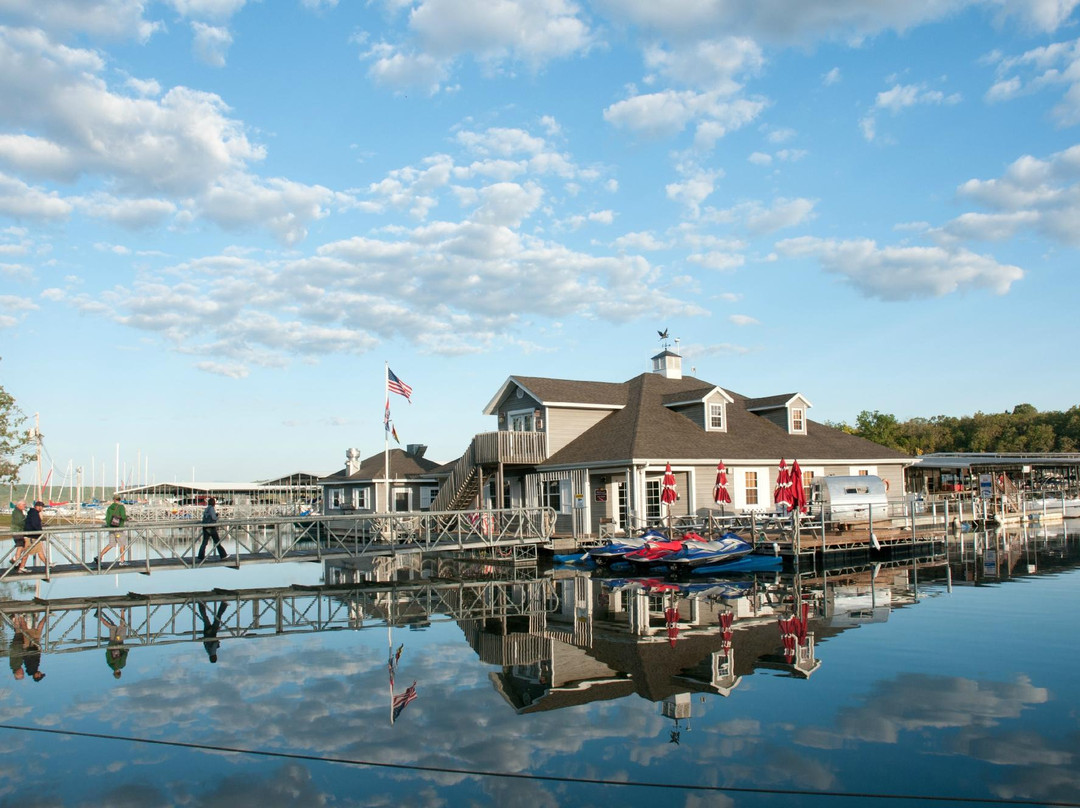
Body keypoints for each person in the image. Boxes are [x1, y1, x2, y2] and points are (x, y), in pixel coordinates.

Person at [95, 494, 128, 565]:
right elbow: (123, 516)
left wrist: (110, 525)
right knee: (122, 544)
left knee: (111, 544)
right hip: (119, 528)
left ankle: (99, 556)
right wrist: (126, 518)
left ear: (114, 500)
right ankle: (122, 561)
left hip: (111, 528)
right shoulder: (121, 507)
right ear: (120, 499)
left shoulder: (110, 507)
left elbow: (107, 518)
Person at [98, 608, 130, 679]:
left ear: (119, 672)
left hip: (118, 641)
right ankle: (99, 617)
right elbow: (107, 653)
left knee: (122, 626)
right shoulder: (109, 664)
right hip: (111, 642)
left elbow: (125, 654)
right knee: (112, 627)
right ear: (114, 672)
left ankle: (122, 610)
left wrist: (127, 650)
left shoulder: (121, 665)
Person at [18, 501, 47, 573]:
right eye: (42, 507)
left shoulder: (32, 513)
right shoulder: (34, 514)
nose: (42, 509)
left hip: (32, 536)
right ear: (38, 507)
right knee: (27, 552)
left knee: (38, 551)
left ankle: (48, 565)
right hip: (31, 536)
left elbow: (34, 523)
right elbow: (35, 524)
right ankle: (21, 567)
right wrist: (40, 532)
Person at [197, 497, 227, 561]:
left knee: (204, 542)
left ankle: (200, 556)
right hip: (211, 527)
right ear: (214, 503)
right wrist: (217, 517)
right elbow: (213, 518)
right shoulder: (211, 509)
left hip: (205, 527)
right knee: (217, 541)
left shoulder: (207, 508)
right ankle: (223, 555)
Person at [9, 499, 27, 568]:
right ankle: (16, 562)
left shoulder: (19, 511)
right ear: (19, 505)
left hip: (18, 531)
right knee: (20, 545)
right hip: (17, 531)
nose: (25, 506)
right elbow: (20, 522)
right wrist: (26, 524)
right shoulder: (17, 512)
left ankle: (15, 559)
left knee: (22, 545)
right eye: (23, 504)